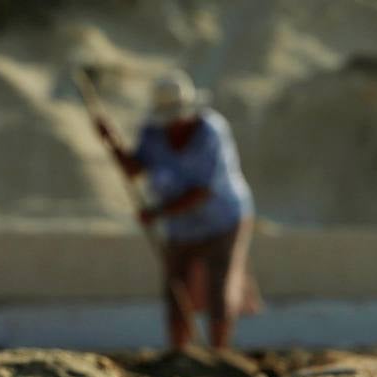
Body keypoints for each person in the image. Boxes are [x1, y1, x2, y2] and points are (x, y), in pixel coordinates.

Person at [93, 71, 258, 349]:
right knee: (176, 287)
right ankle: (179, 353)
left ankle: (219, 352)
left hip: (223, 220)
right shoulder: (153, 133)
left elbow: (203, 190)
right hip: (180, 227)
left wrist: (157, 213)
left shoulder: (211, 133)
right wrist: (112, 143)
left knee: (219, 286)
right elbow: (135, 169)